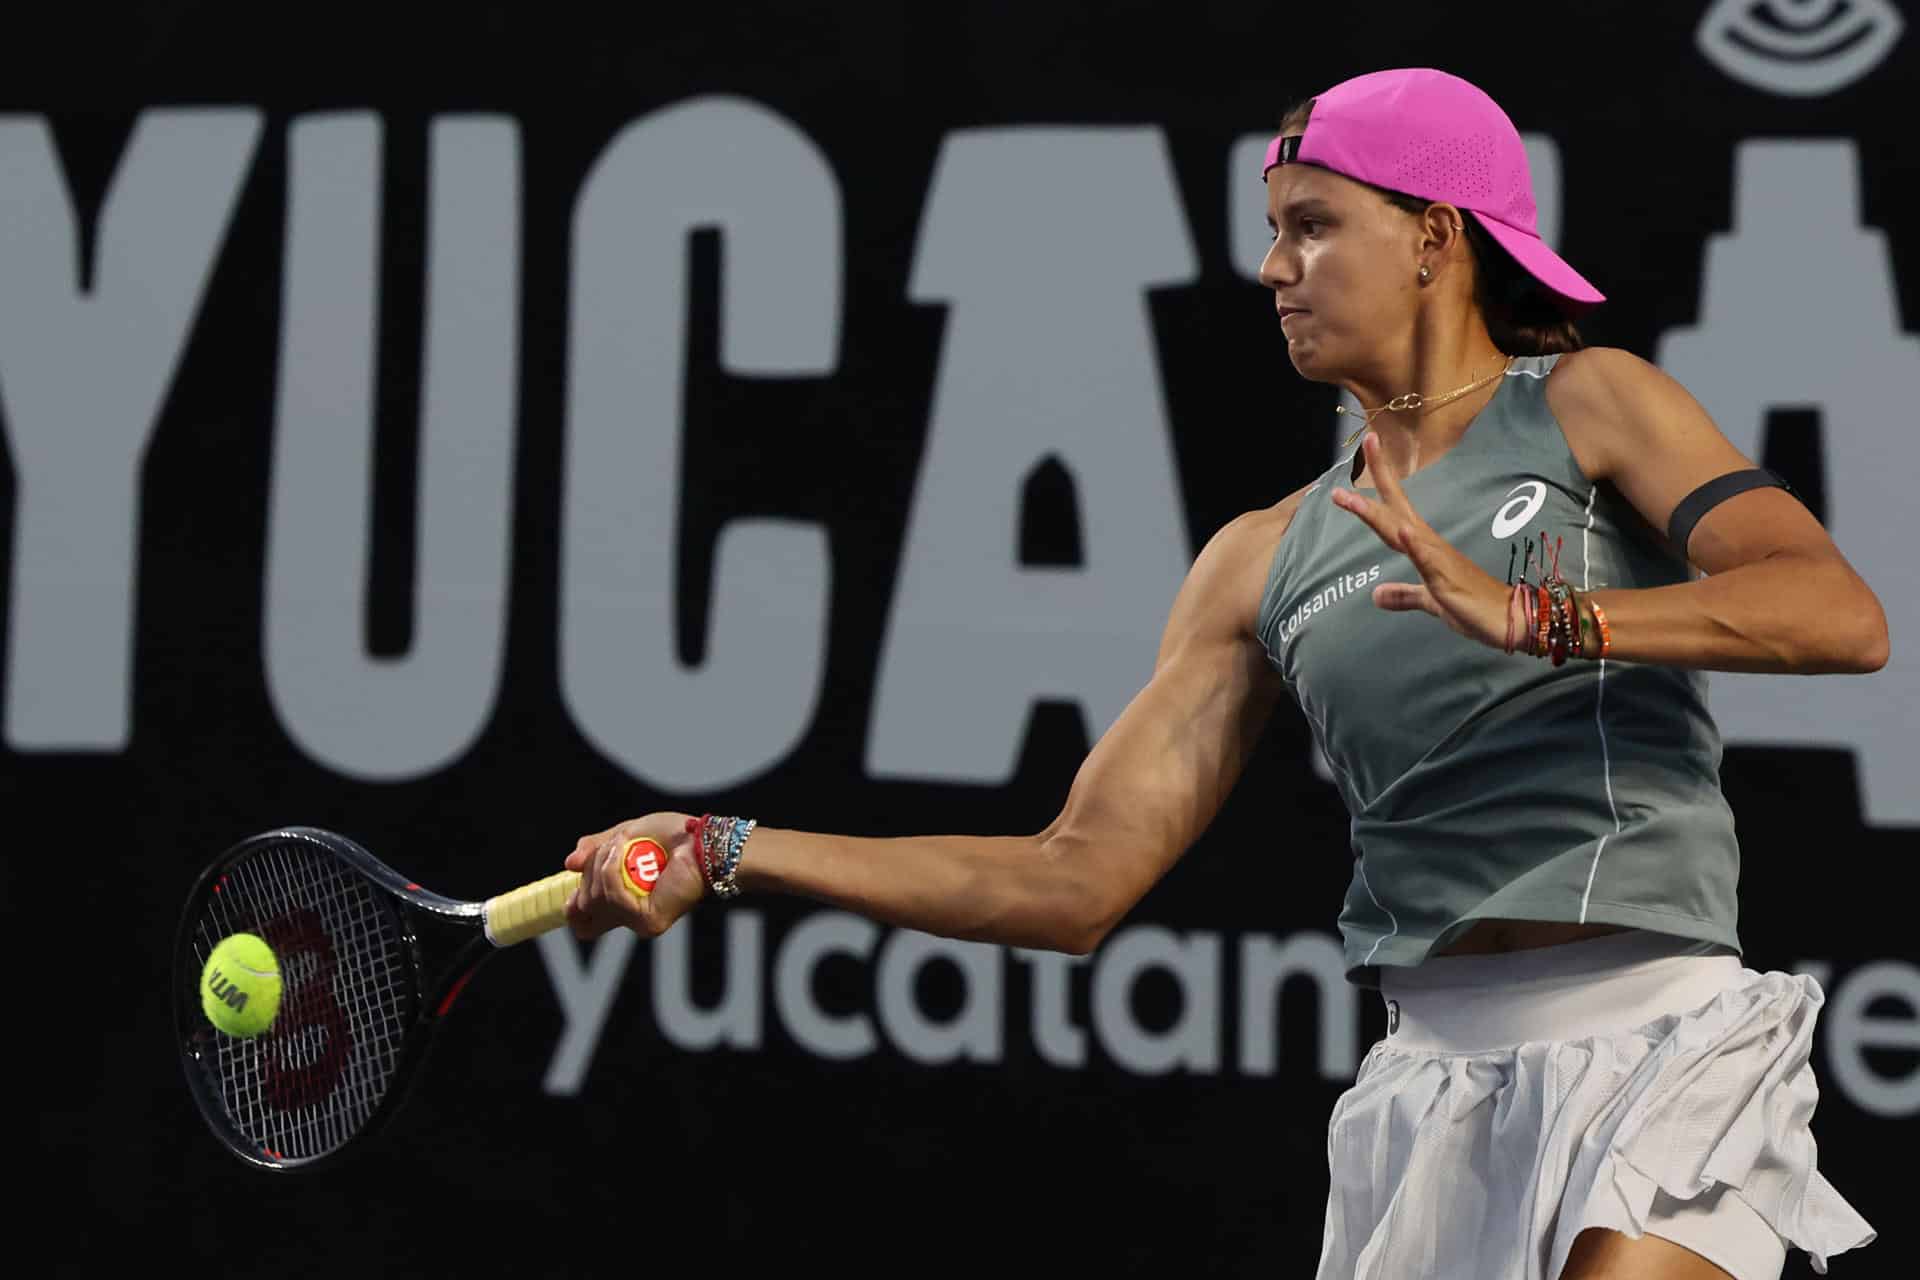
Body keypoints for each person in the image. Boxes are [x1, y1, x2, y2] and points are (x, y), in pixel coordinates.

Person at [563, 68, 1883, 1280]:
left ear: (1436, 235)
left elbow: (1835, 613)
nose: (1273, 267)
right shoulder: (1257, 563)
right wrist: (728, 845)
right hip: (1433, 1082)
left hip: (1662, 1041)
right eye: (1274, 230)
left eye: (1314, 224)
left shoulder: (1595, 405)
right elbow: (1072, 881)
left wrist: (1548, 619)